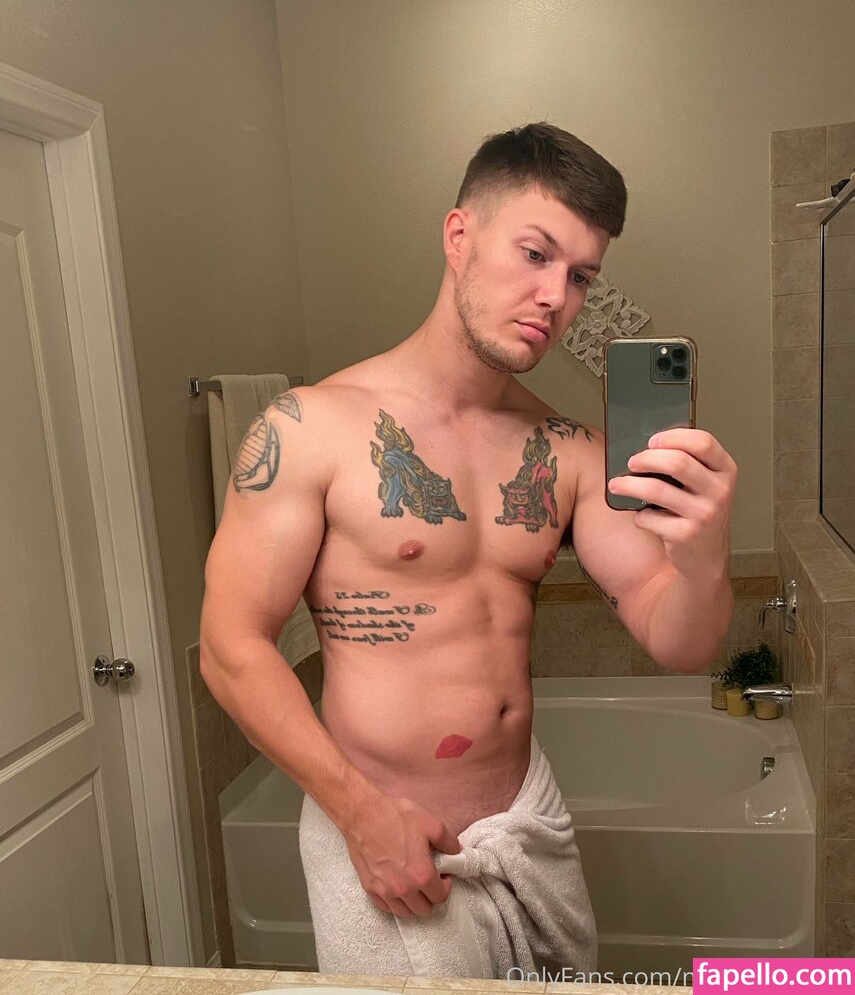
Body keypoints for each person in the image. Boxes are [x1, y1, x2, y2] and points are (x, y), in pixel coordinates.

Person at [199, 122, 736, 976]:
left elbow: (679, 642)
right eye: (535, 253)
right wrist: (360, 815)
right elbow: (230, 649)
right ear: (459, 236)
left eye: (580, 276)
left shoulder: (568, 451)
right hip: (384, 833)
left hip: (528, 826)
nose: (555, 296)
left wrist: (703, 555)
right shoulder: (311, 428)